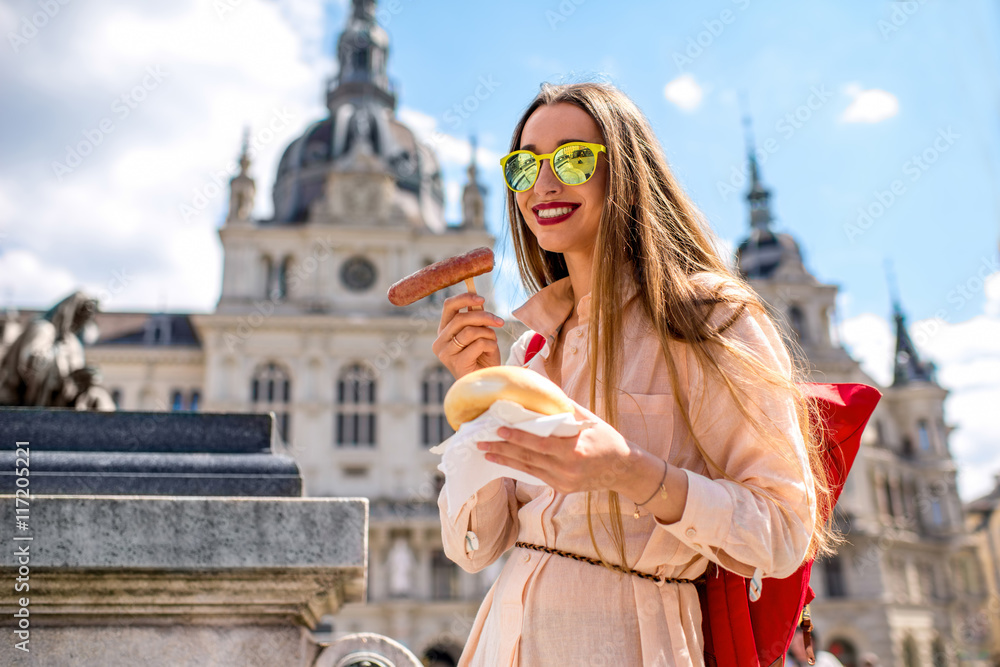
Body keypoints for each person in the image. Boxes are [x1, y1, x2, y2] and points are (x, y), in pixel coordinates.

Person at [432, 82, 837, 666]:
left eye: (571, 159)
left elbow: (782, 531)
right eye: (524, 166)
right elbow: (475, 547)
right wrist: (478, 401)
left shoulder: (710, 319)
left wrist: (630, 472)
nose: (543, 184)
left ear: (625, 172)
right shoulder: (527, 352)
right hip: (504, 641)